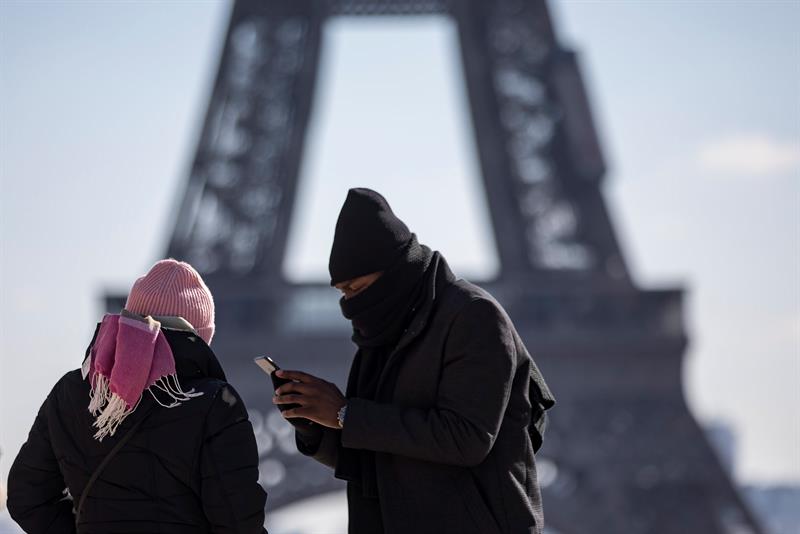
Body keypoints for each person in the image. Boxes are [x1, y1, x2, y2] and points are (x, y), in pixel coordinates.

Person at [273, 188, 555, 534]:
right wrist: (314, 424)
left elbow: (466, 438)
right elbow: (372, 459)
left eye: (357, 289)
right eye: (343, 293)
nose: (350, 305)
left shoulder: (473, 316)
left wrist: (347, 414)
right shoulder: (382, 333)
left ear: (394, 272)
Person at [8, 259, 267, 533]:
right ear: (200, 336)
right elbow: (239, 524)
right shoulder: (216, 402)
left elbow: (27, 498)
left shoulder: (71, 391)